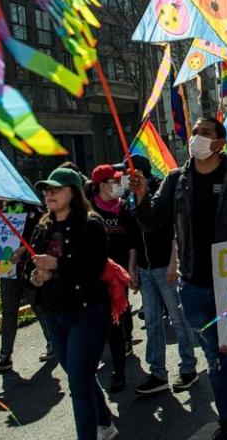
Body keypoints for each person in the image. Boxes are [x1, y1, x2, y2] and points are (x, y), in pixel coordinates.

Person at [130, 117, 227, 440]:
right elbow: (153, 221)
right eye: (194, 132)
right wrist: (139, 199)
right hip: (193, 286)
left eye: (205, 133)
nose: (196, 138)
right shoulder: (176, 180)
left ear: (220, 143)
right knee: (215, 359)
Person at [25, 165, 118, 440]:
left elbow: (93, 269)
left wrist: (57, 264)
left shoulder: (91, 225)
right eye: (46, 189)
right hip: (54, 313)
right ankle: (105, 422)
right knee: (83, 377)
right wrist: (36, 278)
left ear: (73, 193)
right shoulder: (43, 226)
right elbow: (33, 270)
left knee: (77, 383)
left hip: (87, 312)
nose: (49, 194)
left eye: (56, 189)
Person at [122, 156, 200, 396]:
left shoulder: (163, 190)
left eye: (130, 173)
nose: (127, 178)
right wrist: (132, 267)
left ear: (141, 173)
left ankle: (188, 367)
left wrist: (172, 261)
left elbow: (174, 227)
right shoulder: (128, 197)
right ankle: (157, 373)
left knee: (178, 318)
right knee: (153, 322)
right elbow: (134, 236)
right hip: (145, 269)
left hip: (164, 265)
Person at [0, 200, 53, 373]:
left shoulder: (32, 209)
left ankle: (53, 342)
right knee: (8, 310)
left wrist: (23, 250)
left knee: (38, 306)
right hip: (7, 269)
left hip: (28, 268)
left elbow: (40, 236)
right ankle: (4, 355)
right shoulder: (2, 211)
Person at [88, 164, 139, 392]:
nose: (119, 186)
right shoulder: (89, 212)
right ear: (101, 185)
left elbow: (132, 244)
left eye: (120, 182)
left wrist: (131, 270)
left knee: (118, 317)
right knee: (101, 319)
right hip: (95, 275)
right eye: (114, 182)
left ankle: (119, 371)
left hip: (118, 275)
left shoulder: (125, 209)